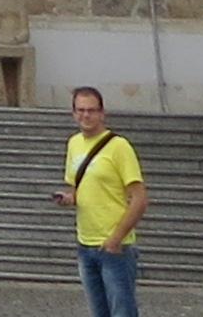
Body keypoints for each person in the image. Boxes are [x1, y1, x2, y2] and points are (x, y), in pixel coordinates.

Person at [61, 85, 147, 317]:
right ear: (73, 113)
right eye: (80, 110)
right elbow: (78, 187)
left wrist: (115, 239)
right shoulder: (74, 144)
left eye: (91, 110)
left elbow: (139, 199)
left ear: (102, 113)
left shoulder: (119, 147)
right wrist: (69, 198)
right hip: (85, 243)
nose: (86, 115)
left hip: (115, 246)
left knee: (122, 312)